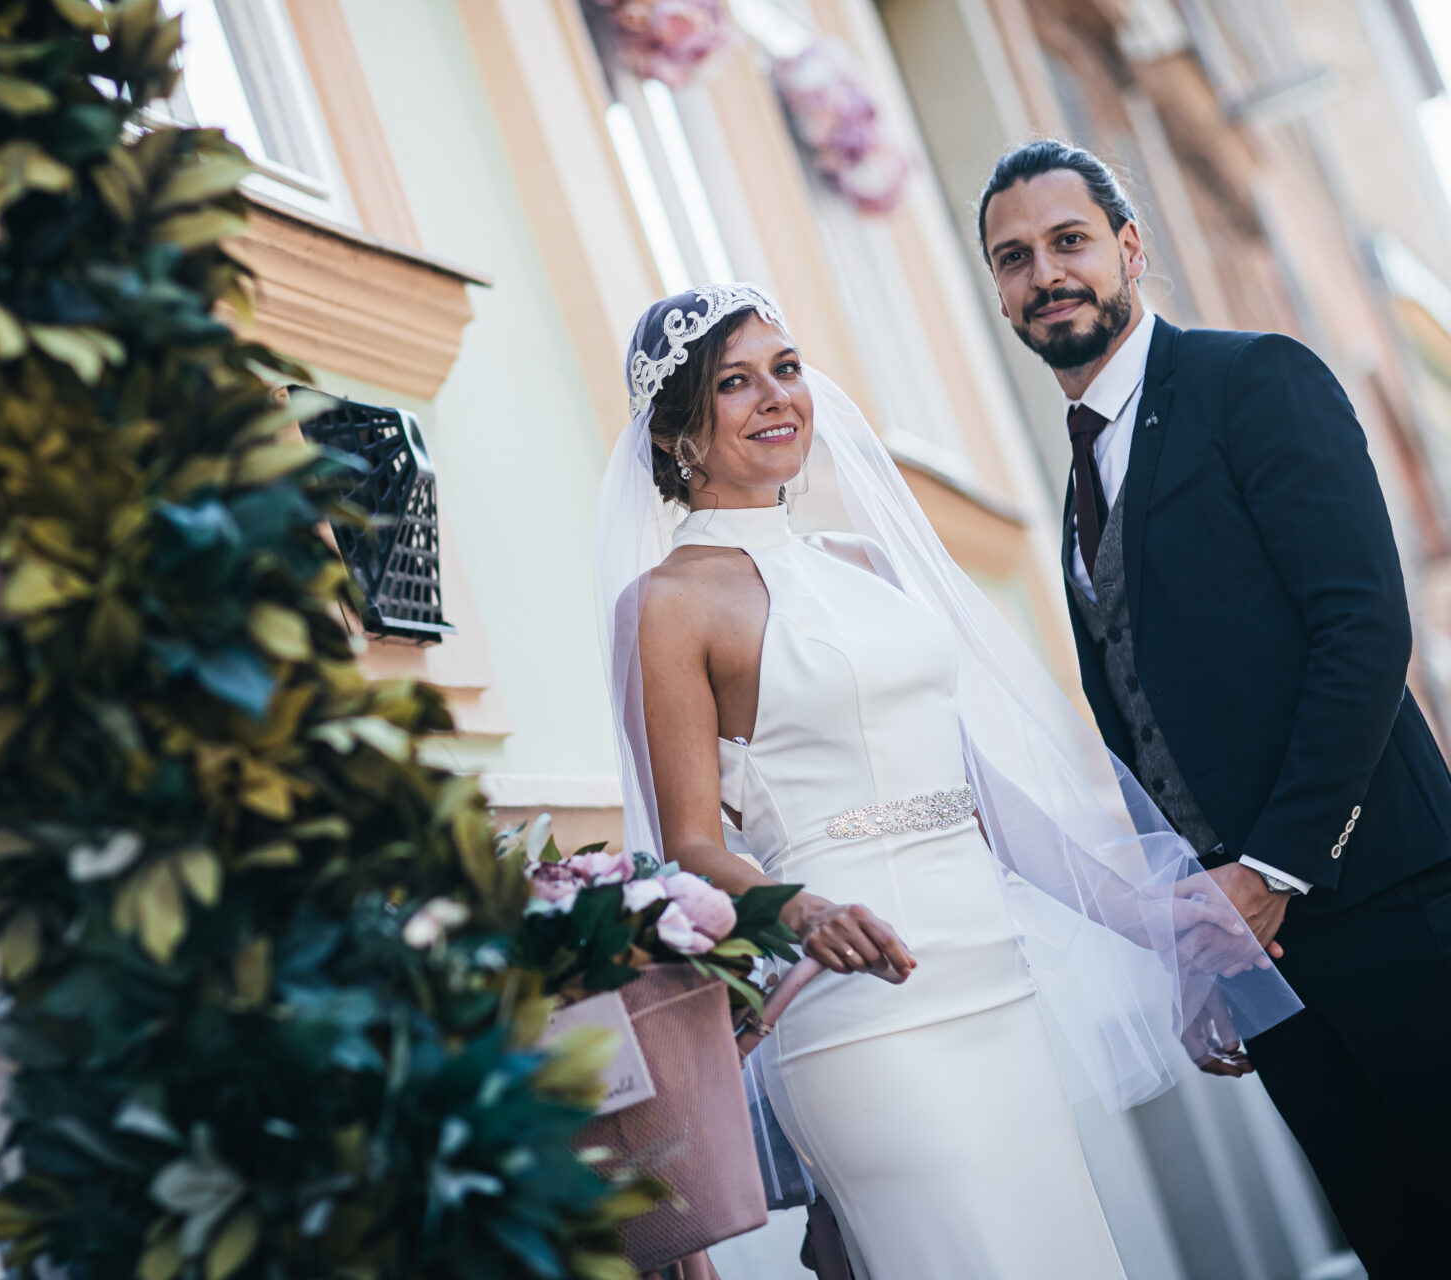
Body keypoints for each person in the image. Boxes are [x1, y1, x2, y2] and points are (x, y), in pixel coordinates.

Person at [596, 284, 1299, 1280]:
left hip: (993, 977)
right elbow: (689, 847)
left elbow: (979, 790)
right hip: (858, 1000)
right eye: (734, 383)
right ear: (677, 433)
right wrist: (799, 907)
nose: (777, 396)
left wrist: (1146, 914)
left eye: (786, 369)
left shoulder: (864, 561)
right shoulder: (665, 604)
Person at [976, 138, 1451, 1276]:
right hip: (1260, 957)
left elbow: (1363, 629)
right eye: (1014, 258)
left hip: (1390, 901)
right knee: (1396, 1240)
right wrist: (1202, 953)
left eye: (1069, 241)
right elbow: (1147, 734)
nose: (1045, 273)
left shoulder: (1255, 381)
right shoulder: (1082, 472)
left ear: (1130, 247)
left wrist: (1274, 869)